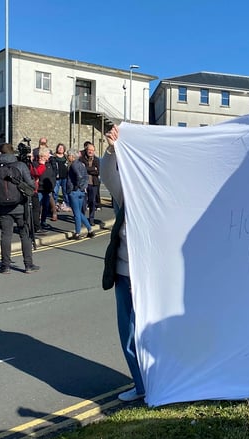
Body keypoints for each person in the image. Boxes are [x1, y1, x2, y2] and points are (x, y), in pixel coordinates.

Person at [102, 125, 145, 403]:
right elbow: (108, 175)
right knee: (129, 331)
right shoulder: (128, 190)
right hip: (126, 272)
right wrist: (111, 150)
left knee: (147, 332)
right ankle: (142, 385)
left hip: (149, 276)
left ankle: (159, 382)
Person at [0, 143, 39, 274]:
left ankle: (5, 266)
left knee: (6, 236)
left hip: (3, 207)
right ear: (12, 152)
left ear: (0, 153)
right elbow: (30, 185)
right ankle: (28, 265)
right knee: (25, 235)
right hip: (21, 206)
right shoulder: (20, 165)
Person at [66, 148, 94, 240]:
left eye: (68, 155)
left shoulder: (73, 165)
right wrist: (83, 187)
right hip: (81, 191)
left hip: (74, 191)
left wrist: (76, 186)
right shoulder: (81, 164)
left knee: (76, 213)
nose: (67, 157)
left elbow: (79, 176)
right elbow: (86, 176)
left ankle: (77, 233)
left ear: (72, 156)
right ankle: (90, 230)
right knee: (79, 212)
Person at [81, 141, 100, 225]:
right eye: (89, 149)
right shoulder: (81, 159)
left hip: (94, 184)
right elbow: (82, 170)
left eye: (92, 150)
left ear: (94, 151)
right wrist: (93, 169)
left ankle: (91, 219)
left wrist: (88, 169)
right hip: (84, 183)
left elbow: (98, 172)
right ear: (86, 150)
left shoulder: (97, 160)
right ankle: (82, 218)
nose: (90, 151)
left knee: (92, 202)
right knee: (83, 202)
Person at [52, 143, 70, 211]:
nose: (60, 149)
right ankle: (54, 205)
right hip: (56, 178)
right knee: (55, 192)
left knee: (65, 192)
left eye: (62, 148)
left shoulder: (66, 157)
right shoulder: (53, 157)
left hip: (65, 177)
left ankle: (66, 204)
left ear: (64, 149)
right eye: (59, 148)